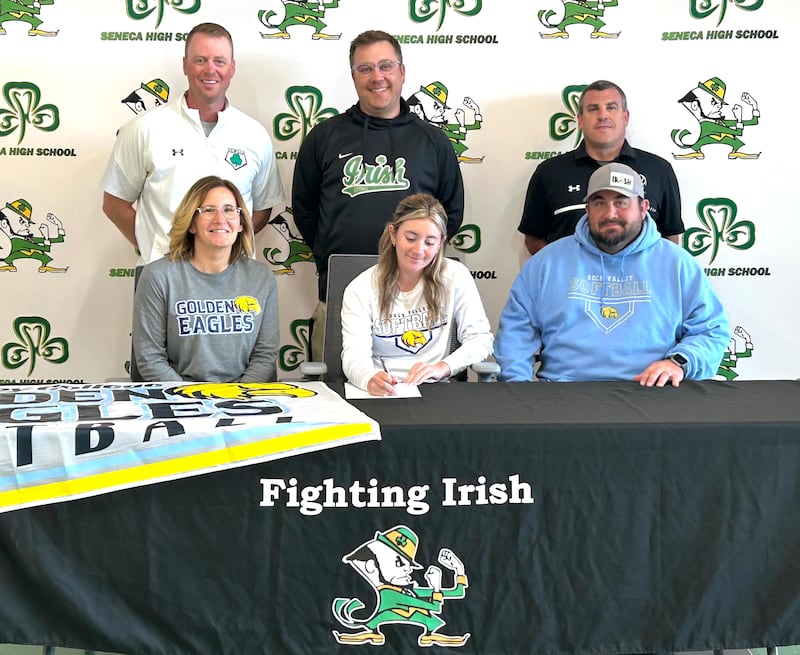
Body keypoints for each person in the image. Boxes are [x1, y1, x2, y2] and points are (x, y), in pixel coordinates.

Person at [292, 29, 464, 359]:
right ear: (353, 76)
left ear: (401, 72)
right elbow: (306, 211)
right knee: (335, 399)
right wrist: (333, 249)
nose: (377, 77)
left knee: (420, 401)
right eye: (365, 68)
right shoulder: (325, 137)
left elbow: (450, 215)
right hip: (340, 293)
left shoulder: (433, 141)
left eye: (386, 66)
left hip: (417, 304)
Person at [496, 163, 729, 386]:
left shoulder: (678, 264)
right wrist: (519, 389)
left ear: (643, 207)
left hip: (652, 393)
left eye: (621, 202)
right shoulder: (545, 264)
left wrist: (678, 362)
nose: (610, 213)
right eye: (599, 203)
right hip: (563, 394)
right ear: (587, 209)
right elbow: (515, 334)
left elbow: (711, 330)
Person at [102, 22, 284, 265]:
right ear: (185, 64)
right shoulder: (144, 129)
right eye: (200, 60)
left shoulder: (254, 135)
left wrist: (220, 248)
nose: (210, 70)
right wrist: (155, 249)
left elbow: (261, 210)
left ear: (232, 68)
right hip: (162, 275)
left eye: (219, 61)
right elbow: (115, 203)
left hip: (231, 276)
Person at [341, 194, 492, 396]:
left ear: (441, 243)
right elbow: (353, 353)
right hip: (382, 391)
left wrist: (443, 367)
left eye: (430, 242)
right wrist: (368, 378)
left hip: (435, 389)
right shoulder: (360, 288)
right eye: (410, 238)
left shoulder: (456, 276)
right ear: (393, 235)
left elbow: (480, 339)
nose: (419, 250)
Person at [132, 176, 279, 382]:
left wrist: (237, 399)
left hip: (245, 401)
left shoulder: (261, 278)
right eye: (209, 210)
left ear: (240, 224)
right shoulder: (158, 277)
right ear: (191, 223)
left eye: (229, 210)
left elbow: (264, 357)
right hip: (181, 401)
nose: (220, 219)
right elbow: (150, 359)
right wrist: (194, 399)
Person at [518, 79, 684, 256]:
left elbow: (670, 237)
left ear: (625, 117)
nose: (602, 115)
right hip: (573, 283)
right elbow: (533, 238)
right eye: (593, 108)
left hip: (640, 283)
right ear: (580, 120)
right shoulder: (549, 172)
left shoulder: (659, 170)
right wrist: (563, 271)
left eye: (611, 107)